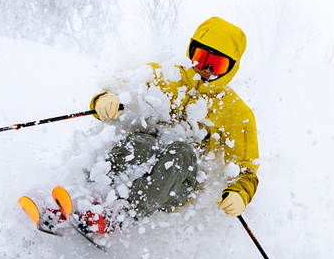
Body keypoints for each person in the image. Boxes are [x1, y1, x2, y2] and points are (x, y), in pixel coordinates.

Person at [84, 16, 259, 231]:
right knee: (141, 142)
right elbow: (119, 89)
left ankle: (117, 216)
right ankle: (89, 196)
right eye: (201, 57)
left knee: (180, 153)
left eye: (218, 64)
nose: (206, 68)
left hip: (180, 183)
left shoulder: (235, 112)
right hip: (144, 152)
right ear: (191, 50)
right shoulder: (166, 74)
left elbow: (246, 169)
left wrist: (240, 193)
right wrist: (105, 100)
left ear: (231, 67)